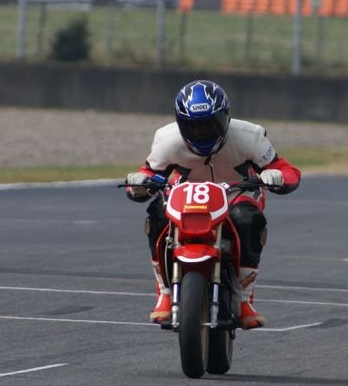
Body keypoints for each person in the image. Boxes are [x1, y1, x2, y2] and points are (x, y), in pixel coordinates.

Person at [124, 80, 301, 329]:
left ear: (225, 118)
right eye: (193, 126)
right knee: (157, 213)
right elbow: (149, 174)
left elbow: (286, 169)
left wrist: (276, 176)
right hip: (185, 195)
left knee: (248, 219)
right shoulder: (166, 139)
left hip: (237, 192)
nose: (201, 132)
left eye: (209, 125)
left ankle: (243, 299)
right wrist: (138, 183)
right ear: (180, 123)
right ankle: (164, 292)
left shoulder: (250, 136)